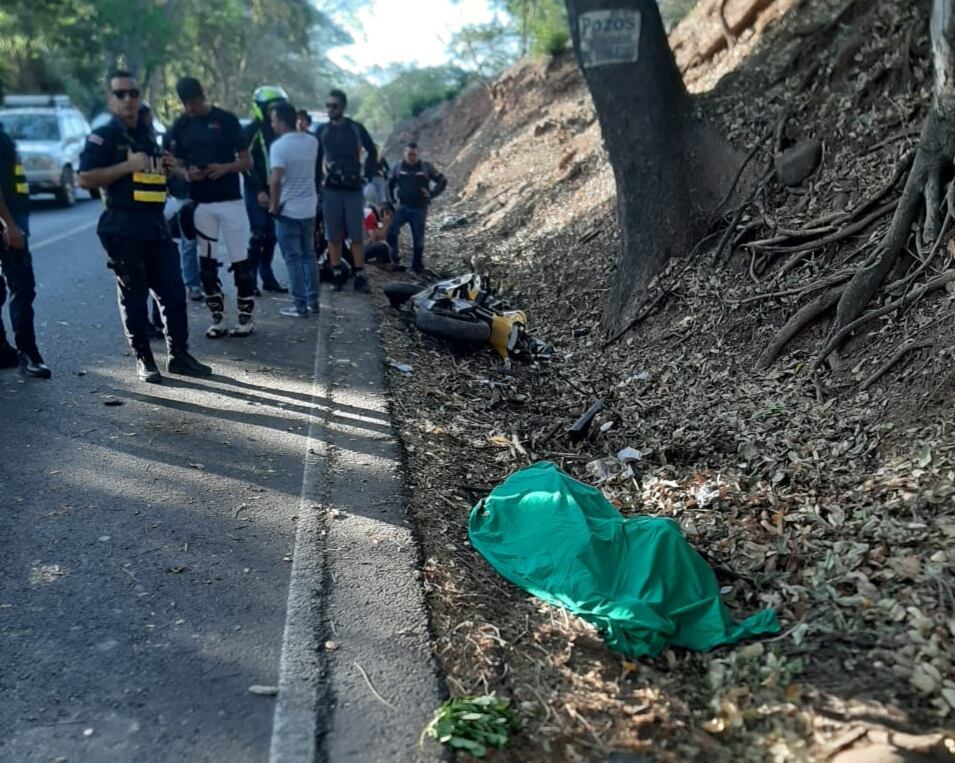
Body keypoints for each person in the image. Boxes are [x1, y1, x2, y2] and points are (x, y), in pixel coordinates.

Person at [78, 70, 211, 383]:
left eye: (133, 94)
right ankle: (144, 360)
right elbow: (84, 178)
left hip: (155, 225)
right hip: (122, 227)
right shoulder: (105, 134)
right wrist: (128, 165)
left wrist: (172, 169)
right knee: (134, 296)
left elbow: (159, 179)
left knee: (173, 293)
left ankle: (179, 355)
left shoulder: (147, 133)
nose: (128, 100)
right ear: (111, 99)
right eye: (120, 94)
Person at [168, 77, 256, 338]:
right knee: (206, 266)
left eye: (194, 102)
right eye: (186, 104)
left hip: (230, 200)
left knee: (240, 262)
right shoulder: (181, 125)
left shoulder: (226, 120)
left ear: (203, 95)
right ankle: (218, 318)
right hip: (201, 203)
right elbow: (172, 162)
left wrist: (224, 167)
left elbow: (246, 161)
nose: (190, 108)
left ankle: (245, 318)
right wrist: (187, 173)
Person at [0, 83, 50, 378]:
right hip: (8, 224)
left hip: (12, 219)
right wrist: (9, 224)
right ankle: (28, 352)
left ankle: (5, 350)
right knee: (22, 286)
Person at [314, 88, 377, 293]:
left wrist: (368, 176)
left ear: (343, 107)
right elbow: (315, 158)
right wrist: (316, 185)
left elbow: (372, 150)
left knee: (356, 234)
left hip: (353, 188)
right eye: (328, 106)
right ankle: (337, 274)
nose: (331, 109)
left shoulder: (355, 128)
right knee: (332, 235)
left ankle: (359, 275)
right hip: (330, 189)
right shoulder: (322, 131)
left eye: (335, 106)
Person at [268, 102, 320, 318]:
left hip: (287, 209)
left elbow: (276, 180)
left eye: (273, 120)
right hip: (309, 207)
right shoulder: (312, 141)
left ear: (280, 121)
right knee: (309, 255)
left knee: (292, 258)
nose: (272, 124)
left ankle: (299, 305)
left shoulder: (279, 147)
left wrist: (273, 205)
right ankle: (313, 302)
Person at [243, 85, 289, 295]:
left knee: (272, 235)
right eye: (271, 107)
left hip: (277, 190)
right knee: (259, 233)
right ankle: (249, 278)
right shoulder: (252, 131)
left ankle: (267, 275)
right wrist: (259, 190)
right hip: (257, 191)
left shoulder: (281, 132)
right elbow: (243, 164)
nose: (275, 111)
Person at [387, 142, 447, 274]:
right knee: (391, 231)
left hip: (419, 209)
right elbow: (389, 184)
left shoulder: (426, 167)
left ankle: (417, 267)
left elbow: (442, 180)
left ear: (418, 154)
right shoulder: (398, 167)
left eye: (414, 155)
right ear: (405, 154)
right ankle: (394, 260)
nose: (411, 157)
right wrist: (390, 202)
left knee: (418, 239)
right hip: (402, 207)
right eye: (409, 154)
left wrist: (432, 194)